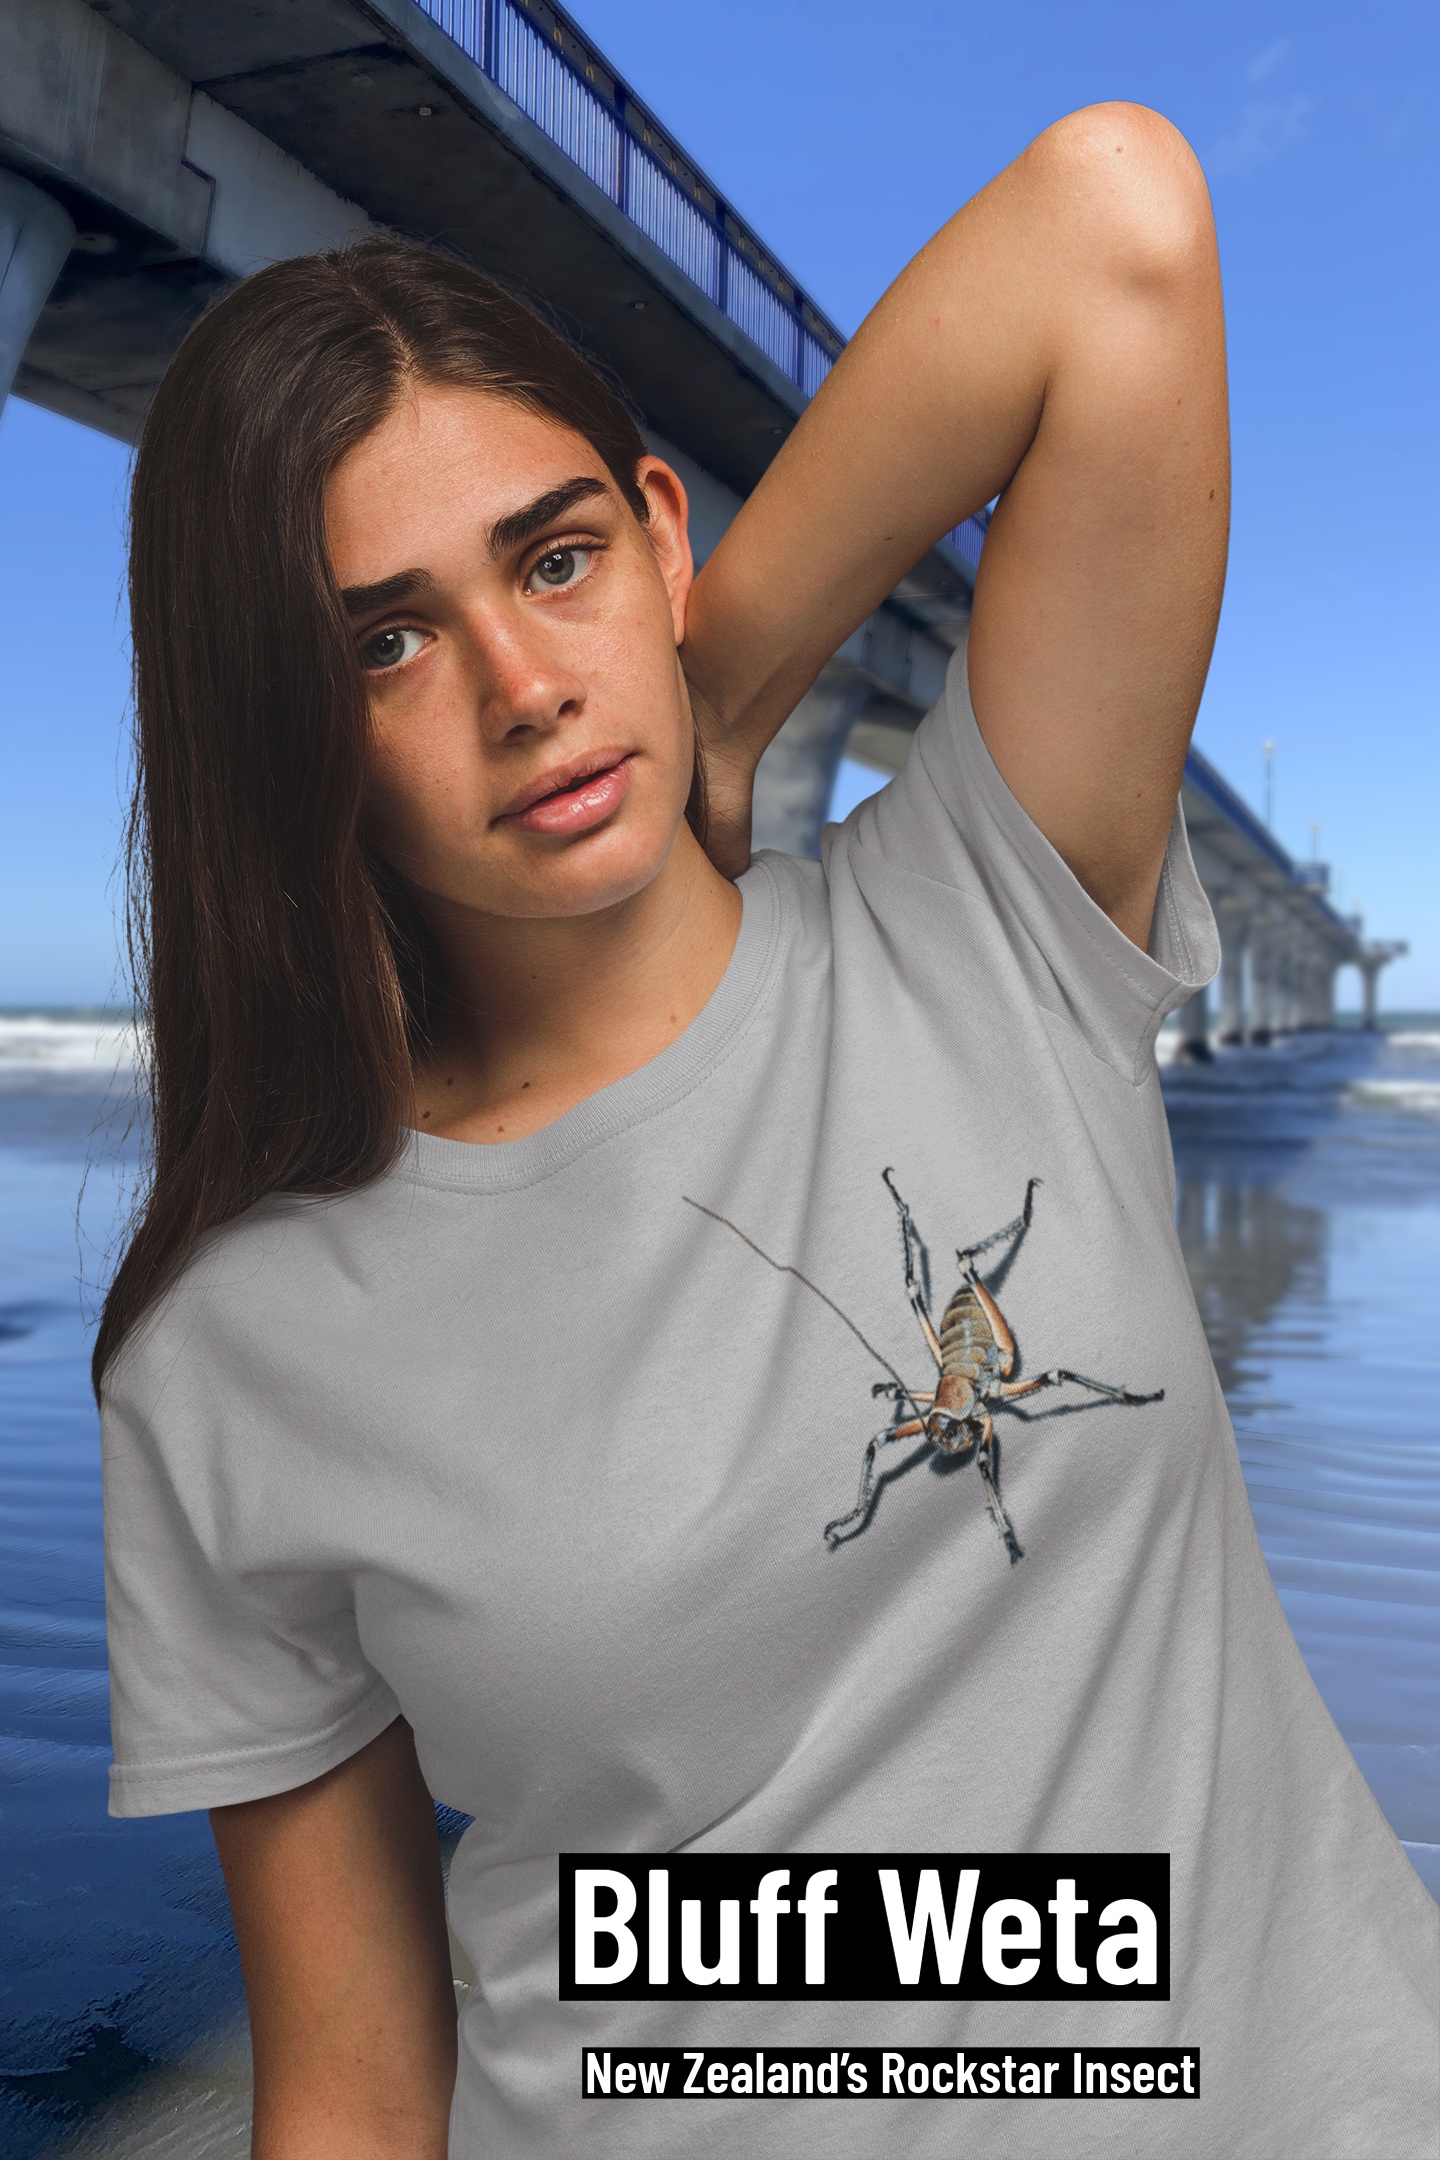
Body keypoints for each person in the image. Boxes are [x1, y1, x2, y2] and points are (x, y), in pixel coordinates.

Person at [98, 103, 1435, 2159]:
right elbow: (357, 2090)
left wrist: (723, 694)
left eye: (554, 562)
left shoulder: (991, 917)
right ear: (276, 723)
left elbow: (1119, 222)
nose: (523, 685)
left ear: (657, 531)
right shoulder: (229, 1350)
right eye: (383, 640)